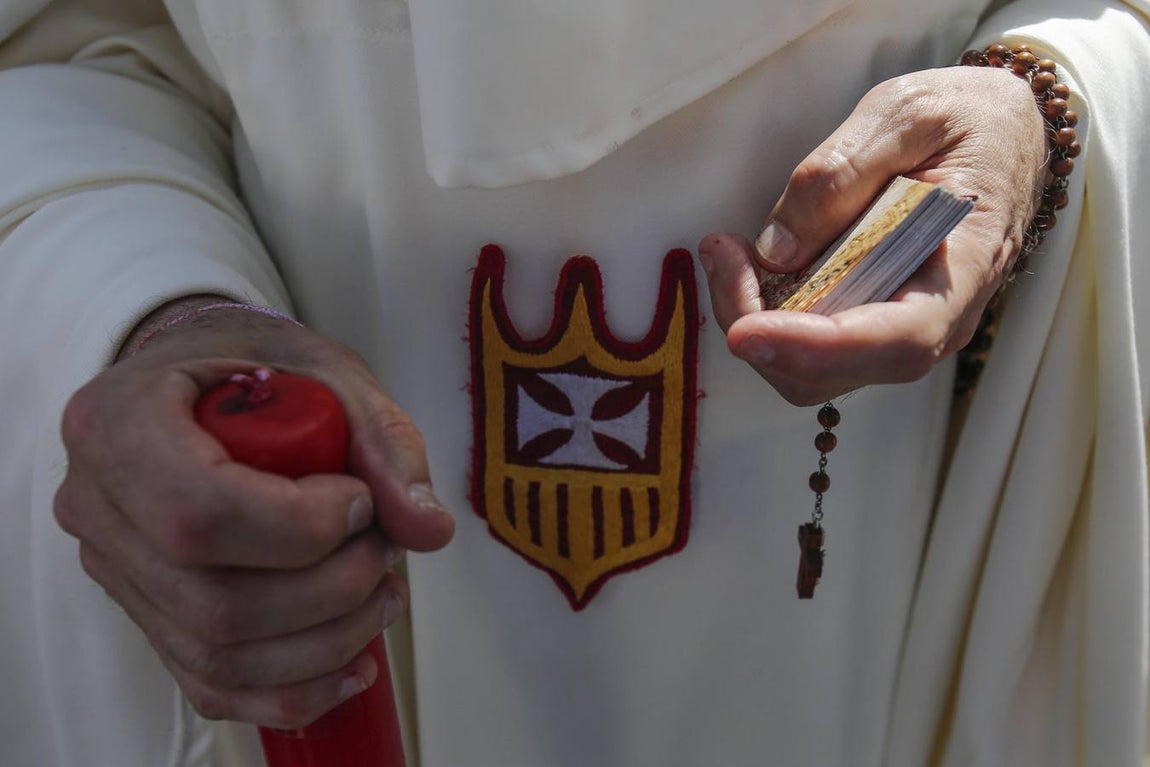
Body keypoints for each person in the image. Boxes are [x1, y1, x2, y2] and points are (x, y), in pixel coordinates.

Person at [1, 0, 1147, 765]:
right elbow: (69, 42)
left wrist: (1032, 107)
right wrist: (158, 309)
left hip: (891, 558)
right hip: (315, 489)